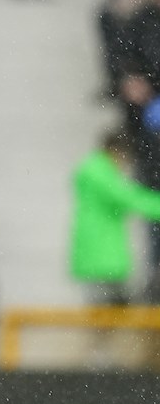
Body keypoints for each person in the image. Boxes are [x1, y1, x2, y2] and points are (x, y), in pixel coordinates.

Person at [69, 130, 160, 306]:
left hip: (100, 252)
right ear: (116, 151)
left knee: (108, 310)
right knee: (108, 311)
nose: (125, 163)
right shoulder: (99, 172)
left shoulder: (96, 170)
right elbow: (129, 198)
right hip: (102, 254)